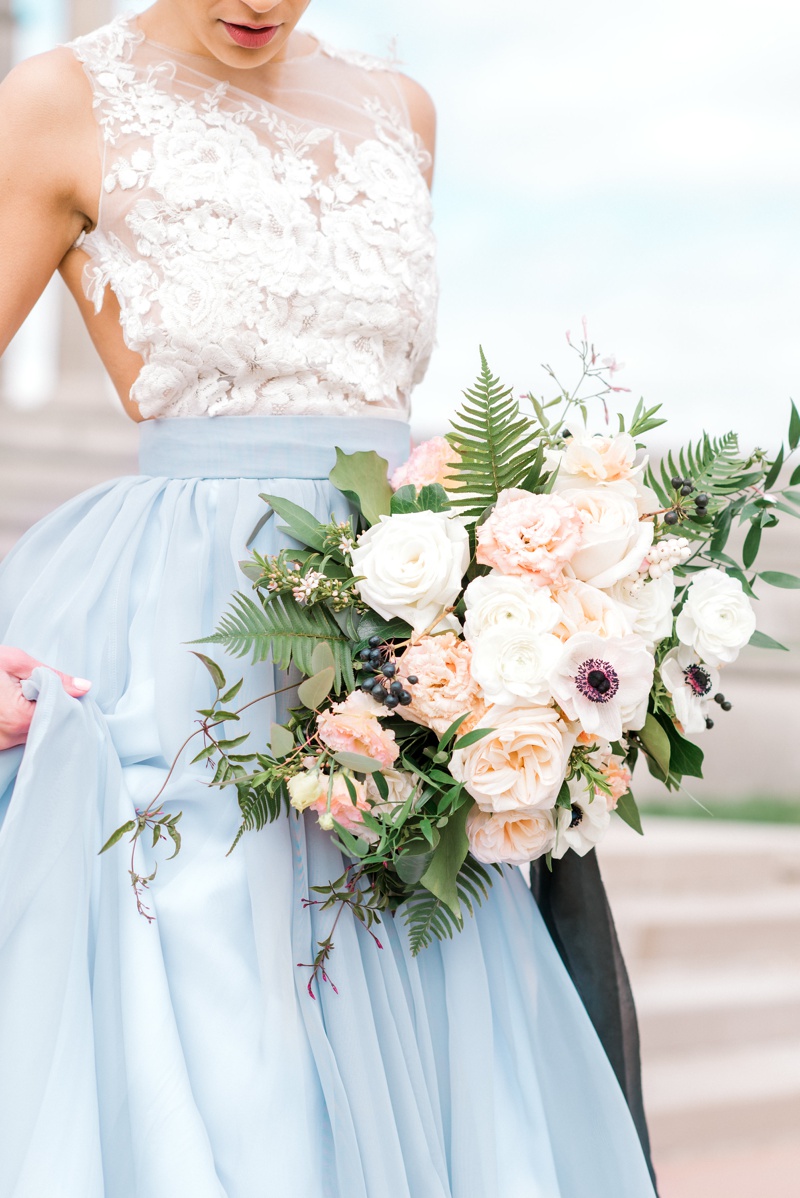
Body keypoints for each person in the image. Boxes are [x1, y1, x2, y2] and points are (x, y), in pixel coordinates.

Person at [0, 4, 658, 1195]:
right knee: (233, 1070)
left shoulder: (399, 109)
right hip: (193, 649)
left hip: (398, 643)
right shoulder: (54, 100)